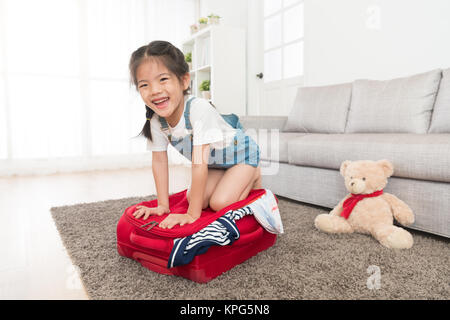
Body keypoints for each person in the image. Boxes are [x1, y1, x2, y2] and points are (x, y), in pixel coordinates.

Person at [129, 40, 261, 229]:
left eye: (163, 79)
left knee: (220, 203)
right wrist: (163, 205)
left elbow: (199, 164)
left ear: (183, 81)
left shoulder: (198, 109)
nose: (155, 90)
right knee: (194, 197)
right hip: (217, 163)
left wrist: (192, 214)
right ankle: (227, 177)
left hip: (242, 157)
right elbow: (159, 161)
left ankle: (254, 173)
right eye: (144, 85)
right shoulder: (157, 122)